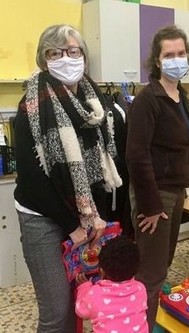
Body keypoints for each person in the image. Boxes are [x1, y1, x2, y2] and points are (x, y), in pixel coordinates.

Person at [14, 24, 122, 333]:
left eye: (73, 51)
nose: (66, 58)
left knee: (81, 299)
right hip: (42, 218)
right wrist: (74, 226)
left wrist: (95, 218)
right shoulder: (32, 106)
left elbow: (98, 170)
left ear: (84, 57)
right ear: (43, 59)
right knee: (56, 311)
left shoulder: (94, 104)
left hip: (82, 216)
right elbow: (34, 184)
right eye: (55, 53)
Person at [126, 25, 189, 332]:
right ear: (157, 61)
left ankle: (146, 321)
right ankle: (139, 327)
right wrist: (149, 206)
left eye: (181, 53)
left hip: (176, 192)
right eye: (169, 54)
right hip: (156, 196)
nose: (177, 59)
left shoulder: (180, 95)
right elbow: (136, 155)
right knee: (150, 273)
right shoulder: (149, 99)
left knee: (162, 264)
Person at [75, 236, 148, 333]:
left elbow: (81, 311)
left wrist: (84, 287)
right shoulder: (140, 288)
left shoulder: (95, 294)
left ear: (102, 271)